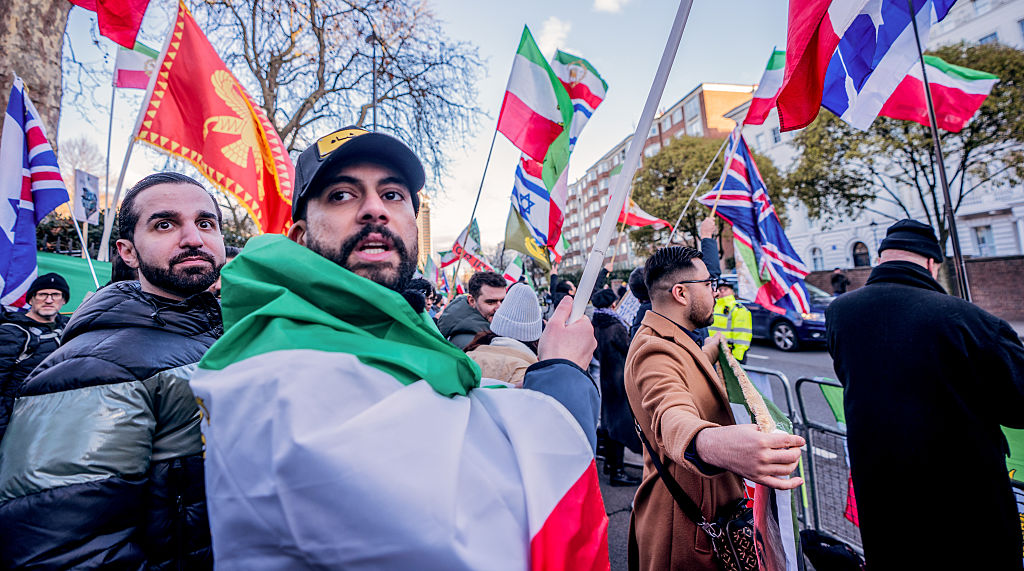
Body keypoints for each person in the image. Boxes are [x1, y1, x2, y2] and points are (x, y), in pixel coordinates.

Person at [190, 126, 606, 568]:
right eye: (341, 195)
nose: (374, 210)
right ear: (299, 238)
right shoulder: (275, 371)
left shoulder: (406, 339)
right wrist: (562, 370)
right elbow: (479, 541)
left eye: (392, 195)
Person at [0, 172, 226, 569]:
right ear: (127, 251)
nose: (193, 238)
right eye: (165, 224)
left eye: (205, 223)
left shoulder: (226, 337)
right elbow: (62, 551)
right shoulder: (95, 367)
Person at [827, 219, 1024, 570]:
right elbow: (1019, 407)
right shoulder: (969, 320)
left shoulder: (840, 312)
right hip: (964, 504)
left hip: (881, 493)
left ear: (882, 258)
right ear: (932, 263)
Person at [625, 245, 804, 571]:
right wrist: (707, 442)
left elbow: (686, 373)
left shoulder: (672, 338)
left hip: (701, 519)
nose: (715, 293)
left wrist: (709, 349)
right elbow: (670, 412)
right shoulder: (653, 350)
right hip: (683, 533)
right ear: (681, 293)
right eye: (709, 284)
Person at [0, 273, 70, 441]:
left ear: (64, 300)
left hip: (56, 418)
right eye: (42, 294)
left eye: (55, 295)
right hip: (16, 420)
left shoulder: (71, 327)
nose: (48, 300)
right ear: (31, 299)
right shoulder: (11, 332)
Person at [591, 287, 641, 487]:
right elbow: (630, 350)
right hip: (620, 381)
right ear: (613, 304)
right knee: (620, 426)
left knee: (609, 424)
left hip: (604, 379)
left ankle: (611, 465)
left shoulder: (594, 325)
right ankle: (617, 472)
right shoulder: (616, 326)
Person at [465, 282, 541, 386]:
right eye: (491, 302)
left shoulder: (467, 359)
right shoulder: (530, 376)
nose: (497, 307)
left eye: (502, 301)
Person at [437, 270, 507, 348]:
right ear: (472, 301)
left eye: (503, 301)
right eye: (491, 302)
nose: (499, 308)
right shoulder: (467, 343)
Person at [708, 278, 752, 363]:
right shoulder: (712, 307)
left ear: (732, 292)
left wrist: (737, 357)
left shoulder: (738, 309)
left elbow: (742, 335)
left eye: (726, 289)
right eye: (720, 289)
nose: (723, 291)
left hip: (730, 354)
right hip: (713, 351)